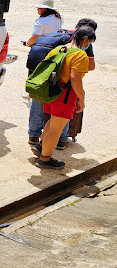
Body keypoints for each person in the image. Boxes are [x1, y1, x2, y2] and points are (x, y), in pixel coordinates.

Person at [31, 26, 95, 169]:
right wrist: (82, 99)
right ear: (85, 39)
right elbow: (75, 78)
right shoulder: (80, 55)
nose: (88, 45)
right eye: (89, 42)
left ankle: (42, 146)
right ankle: (44, 159)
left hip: (51, 92)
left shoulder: (59, 49)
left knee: (53, 124)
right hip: (65, 95)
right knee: (56, 130)